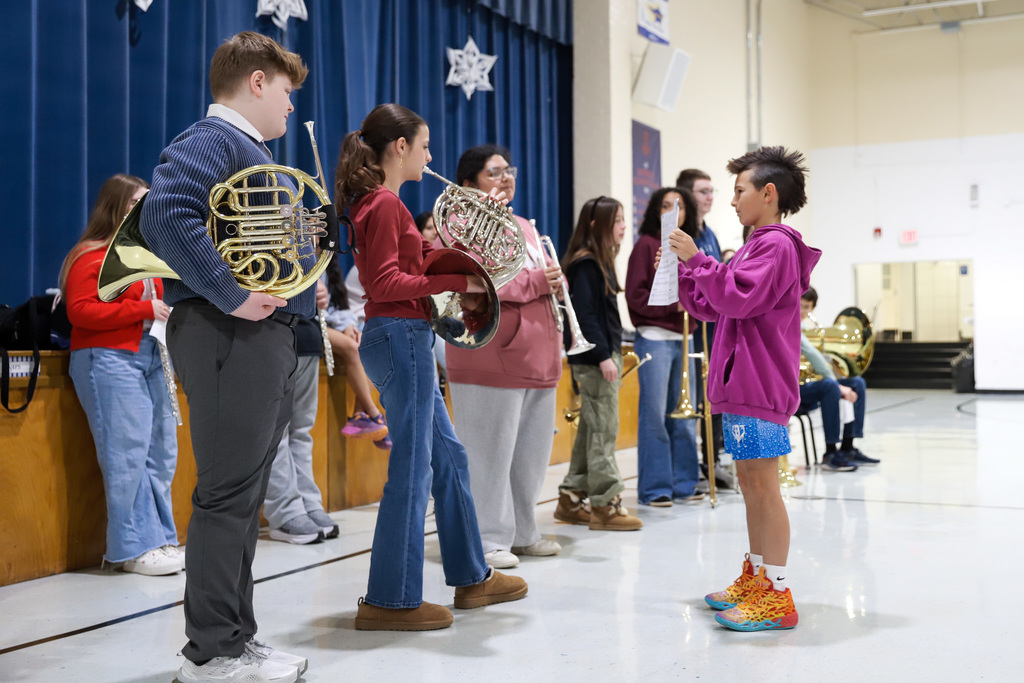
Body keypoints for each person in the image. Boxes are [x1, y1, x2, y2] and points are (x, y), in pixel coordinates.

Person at [140, 32, 311, 682]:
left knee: (241, 500)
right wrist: (235, 292)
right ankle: (211, 651)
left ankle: (236, 638)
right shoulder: (215, 140)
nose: (291, 108)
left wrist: (300, 267)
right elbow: (164, 216)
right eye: (287, 93)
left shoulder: (250, 152)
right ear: (259, 82)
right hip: (223, 332)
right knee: (226, 497)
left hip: (247, 337)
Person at [335, 103, 527, 632]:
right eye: (423, 146)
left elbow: (412, 267)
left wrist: (463, 252)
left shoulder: (382, 205)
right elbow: (384, 285)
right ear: (400, 148)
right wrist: (456, 285)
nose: (430, 155)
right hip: (401, 336)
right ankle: (389, 599)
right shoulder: (386, 205)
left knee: (449, 459)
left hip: (400, 336)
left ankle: (471, 577)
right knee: (414, 468)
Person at [666, 146, 820, 631]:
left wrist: (699, 260)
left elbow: (738, 295)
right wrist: (688, 271)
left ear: (768, 194)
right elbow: (718, 307)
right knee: (752, 485)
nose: (732, 201)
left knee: (764, 487)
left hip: (759, 386)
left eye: (739, 190)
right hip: (743, 385)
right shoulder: (758, 243)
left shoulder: (776, 244)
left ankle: (776, 595)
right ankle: (756, 577)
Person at [445, 144, 564, 568]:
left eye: (508, 171)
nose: (506, 178)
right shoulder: (460, 221)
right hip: (490, 357)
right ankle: (488, 538)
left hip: (537, 357)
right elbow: (476, 280)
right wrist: (538, 282)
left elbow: (534, 278)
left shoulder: (524, 226)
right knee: (488, 455)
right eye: (495, 173)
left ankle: (523, 530)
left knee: (529, 458)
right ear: (468, 184)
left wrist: (553, 281)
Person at [60, 174, 182, 577]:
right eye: (136, 203)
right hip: (109, 358)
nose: (144, 211)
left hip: (150, 356)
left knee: (161, 452)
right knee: (127, 455)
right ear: (116, 207)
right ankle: (131, 547)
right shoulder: (91, 255)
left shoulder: (147, 255)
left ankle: (161, 538)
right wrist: (143, 311)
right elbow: (80, 312)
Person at [554, 196, 643, 531]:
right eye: (617, 220)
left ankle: (570, 497)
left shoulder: (600, 260)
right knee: (604, 432)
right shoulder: (586, 263)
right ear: (596, 225)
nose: (623, 226)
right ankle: (605, 505)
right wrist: (605, 356)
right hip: (594, 358)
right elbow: (586, 316)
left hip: (600, 355)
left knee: (591, 429)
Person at [625, 186, 704, 507]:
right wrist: (674, 305)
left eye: (680, 205)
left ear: (688, 213)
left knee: (684, 416)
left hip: (684, 339)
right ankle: (656, 487)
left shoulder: (688, 247)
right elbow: (635, 298)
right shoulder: (645, 245)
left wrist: (692, 302)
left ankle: (684, 483)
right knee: (655, 416)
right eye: (667, 205)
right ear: (657, 211)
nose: (674, 210)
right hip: (655, 339)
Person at [263, 281, 343, 546]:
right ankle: (285, 511)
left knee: (300, 432)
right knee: (278, 434)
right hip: (271, 330)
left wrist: (318, 290)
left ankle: (307, 502)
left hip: (306, 334)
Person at [676, 168, 732, 490]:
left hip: (715, 328)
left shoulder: (709, 233)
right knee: (697, 402)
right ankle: (695, 467)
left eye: (713, 191)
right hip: (693, 329)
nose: (710, 197)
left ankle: (714, 461)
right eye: (702, 191)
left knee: (714, 402)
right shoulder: (686, 236)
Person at [799, 287, 879, 469]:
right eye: (799, 305)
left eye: (806, 307)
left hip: (805, 384)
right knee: (829, 386)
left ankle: (848, 447)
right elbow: (811, 353)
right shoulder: (791, 324)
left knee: (857, 383)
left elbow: (814, 357)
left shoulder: (803, 327)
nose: (802, 311)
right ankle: (830, 452)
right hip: (792, 389)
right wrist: (836, 384)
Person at [322, 256, 390, 447]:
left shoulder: (327, 261)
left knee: (367, 345)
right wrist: (345, 324)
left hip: (333, 322)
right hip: (309, 323)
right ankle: (374, 413)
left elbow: (337, 304)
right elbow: (312, 307)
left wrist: (348, 324)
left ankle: (359, 415)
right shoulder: (303, 258)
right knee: (352, 347)